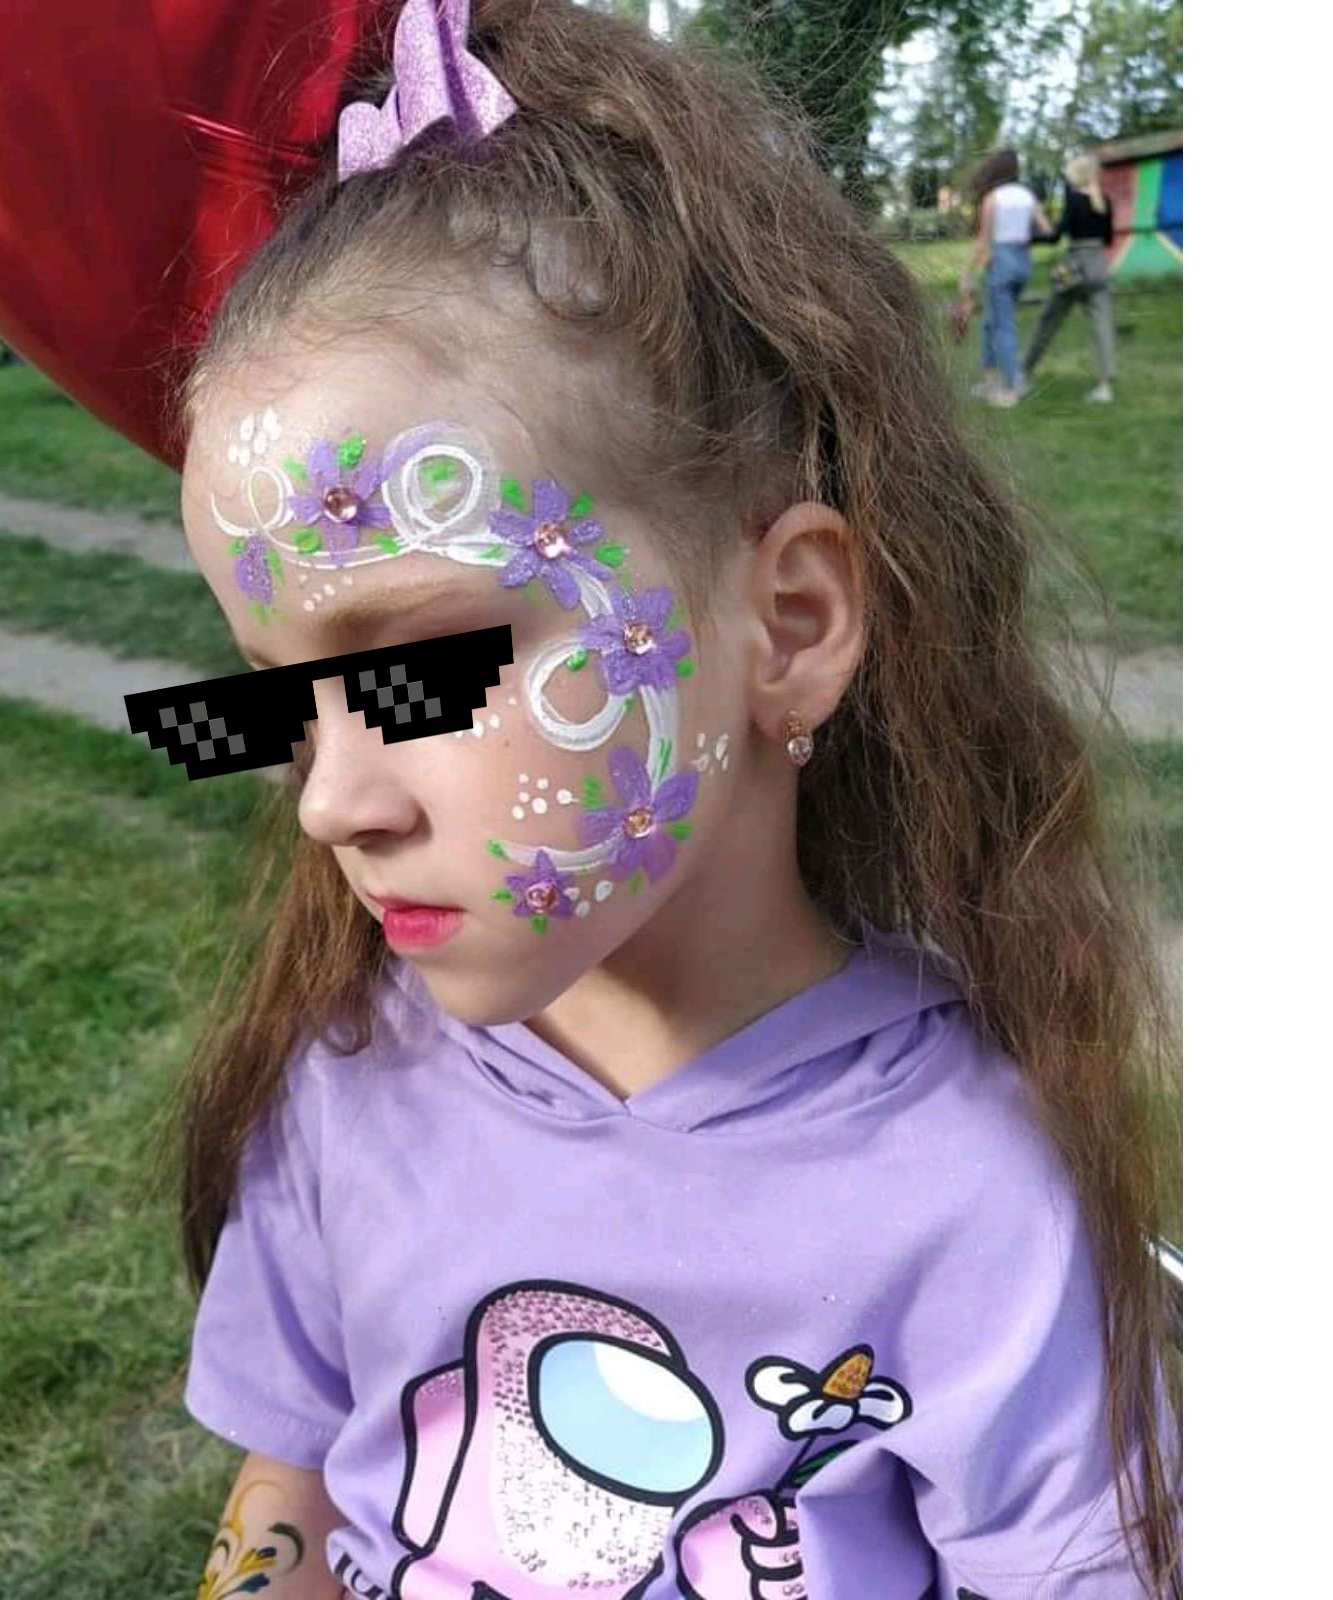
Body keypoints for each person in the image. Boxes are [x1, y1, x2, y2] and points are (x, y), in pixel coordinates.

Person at [157, 3, 1180, 1597]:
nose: (330, 800)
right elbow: (288, 1474)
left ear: (790, 625)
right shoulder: (349, 1090)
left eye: (424, 666)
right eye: (288, 693)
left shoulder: (974, 1199)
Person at [959, 149, 1053, 408]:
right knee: (991, 322)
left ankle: (1013, 386)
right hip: (1022, 262)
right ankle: (990, 379)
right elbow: (1047, 229)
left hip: (1001, 261)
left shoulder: (993, 198)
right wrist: (1025, 236)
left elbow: (984, 241)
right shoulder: (1027, 195)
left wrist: (966, 273)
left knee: (1003, 325)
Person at [1024, 153, 1119, 403]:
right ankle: (1105, 386)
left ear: (1076, 175)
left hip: (1074, 265)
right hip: (1099, 265)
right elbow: (1109, 239)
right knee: (1102, 324)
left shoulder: (1074, 200)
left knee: (1049, 318)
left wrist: (1030, 238)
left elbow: (1055, 237)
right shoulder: (1105, 201)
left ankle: (1023, 371)